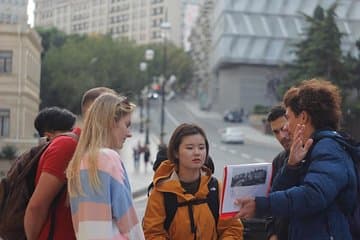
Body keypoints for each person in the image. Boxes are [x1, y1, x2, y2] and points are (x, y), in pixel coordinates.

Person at [235, 79, 357, 240]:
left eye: (288, 117)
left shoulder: (329, 148)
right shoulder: (308, 149)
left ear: (303, 117)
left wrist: (261, 204)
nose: (286, 127)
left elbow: (313, 195)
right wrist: (291, 166)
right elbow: (278, 193)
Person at [24, 87, 115, 240]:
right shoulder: (67, 147)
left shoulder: (98, 153)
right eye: (115, 115)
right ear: (97, 114)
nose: (127, 130)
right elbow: (37, 206)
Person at [143, 123, 243, 239]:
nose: (197, 152)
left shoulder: (217, 188)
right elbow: (152, 233)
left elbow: (232, 229)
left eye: (201, 147)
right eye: (190, 148)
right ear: (176, 153)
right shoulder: (161, 192)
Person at [66, 93, 144, 239]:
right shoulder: (108, 158)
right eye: (126, 125)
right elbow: (128, 223)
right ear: (112, 122)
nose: (129, 134)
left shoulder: (78, 163)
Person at [265, 105, 291, 240]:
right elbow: (272, 200)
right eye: (276, 132)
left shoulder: (314, 155)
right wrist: (272, 233)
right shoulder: (278, 161)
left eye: (284, 129)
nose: (282, 136)